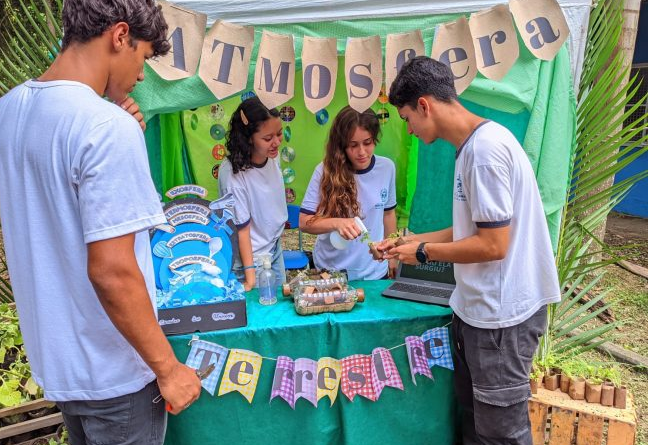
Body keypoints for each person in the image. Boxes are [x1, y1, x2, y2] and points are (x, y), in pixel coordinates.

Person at [0, 1, 201, 444]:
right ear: (120, 36)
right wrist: (168, 368)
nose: (141, 76)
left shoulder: (6, 112)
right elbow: (112, 271)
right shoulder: (104, 127)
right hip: (116, 372)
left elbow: (55, 203)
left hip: (59, 363)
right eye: (142, 58)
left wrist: (117, 128)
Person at [374, 56, 560, 445]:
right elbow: (474, 227)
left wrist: (423, 253)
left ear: (424, 105)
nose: (408, 129)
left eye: (407, 118)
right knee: (477, 426)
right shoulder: (472, 146)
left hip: (502, 317)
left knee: (500, 435)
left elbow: (493, 245)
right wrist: (413, 240)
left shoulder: (485, 152)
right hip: (479, 310)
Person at [299, 106, 398, 280]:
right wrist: (337, 223)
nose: (361, 152)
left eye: (367, 143)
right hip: (331, 271)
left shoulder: (387, 168)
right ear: (341, 146)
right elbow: (304, 222)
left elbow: (388, 214)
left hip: (374, 272)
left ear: (375, 139)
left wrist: (392, 258)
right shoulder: (324, 171)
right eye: (353, 145)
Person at [218, 96, 288, 291]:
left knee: (281, 309)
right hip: (251, 259)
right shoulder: (233, 174)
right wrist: (250, 279)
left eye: (279, 134)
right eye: (268, 138)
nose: (276, 142)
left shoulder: (271, 157)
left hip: (273, 248)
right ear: (248, 138)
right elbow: (242, 230)